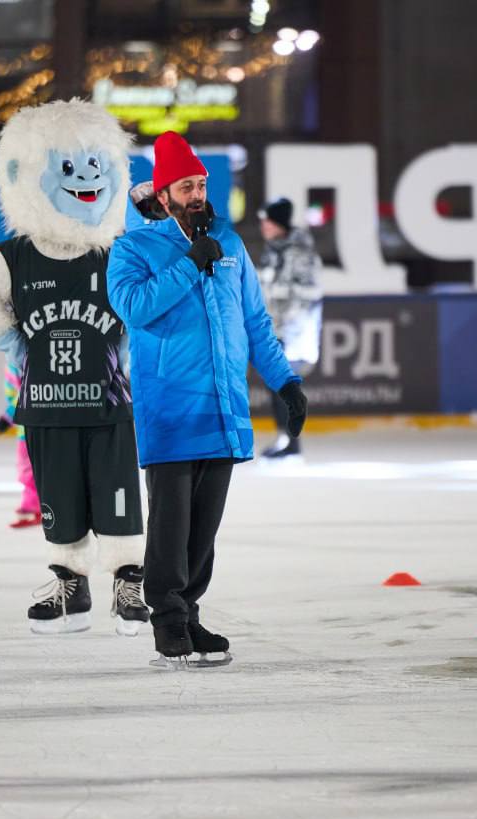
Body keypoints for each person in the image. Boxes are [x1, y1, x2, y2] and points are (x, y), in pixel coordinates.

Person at [107, 131, 307, 666]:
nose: (197, 194)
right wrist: (189, 262)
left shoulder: (230, 244)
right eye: (186, 185)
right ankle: (167, 620)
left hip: (224, 411)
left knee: (203, 528)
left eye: (201, 184)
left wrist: (285, 382)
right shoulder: (134, 247)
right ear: (164, 192)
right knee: (171, 524)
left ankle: (189, 613)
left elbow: (255, 323)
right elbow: (133, 307)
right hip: (170, 410)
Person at [0, 99, 149, 637]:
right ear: (21, 174)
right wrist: (8, 340)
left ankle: (129, 581)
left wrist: (134, 344)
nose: (87, 178)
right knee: (59, 501)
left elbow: (154, 301)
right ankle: (71, 583)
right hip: (45, 410)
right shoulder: (15, 257)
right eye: (68, 167)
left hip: (111, 407)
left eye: (96, 165)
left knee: (119, 498)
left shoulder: (116, 253)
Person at [256, 197, 323, 460]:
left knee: (284, 387)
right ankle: (286, 439)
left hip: (292, 332)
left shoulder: (300, 252)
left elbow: (309, 291)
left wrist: (284, 322)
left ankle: (292, 442)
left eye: (269, 221)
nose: (264, 226)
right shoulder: (272, 250)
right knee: (276, 386)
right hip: (275, 330)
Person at [0, 360, 42, 529]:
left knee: (30, 468)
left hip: (31, 424)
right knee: (28, 467)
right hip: (24, 426)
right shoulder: (11, 360)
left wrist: (7, 417)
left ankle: (35, 506)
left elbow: (26, 391)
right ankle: (35, 505)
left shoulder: (19, 358)